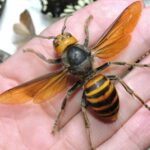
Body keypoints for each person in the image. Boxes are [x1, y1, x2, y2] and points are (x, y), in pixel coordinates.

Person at [0, 0, 149, 149]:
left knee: (76, 101)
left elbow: (47, 60)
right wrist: (86, 25)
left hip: (94, 92)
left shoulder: (63, 69)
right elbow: (87, 36)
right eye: (58, 42)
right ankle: (141, 95)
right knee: (114, 70)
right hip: (101, 86)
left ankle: (86, 139)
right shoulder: (89, 49)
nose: (61, 39)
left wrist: (32, 51)